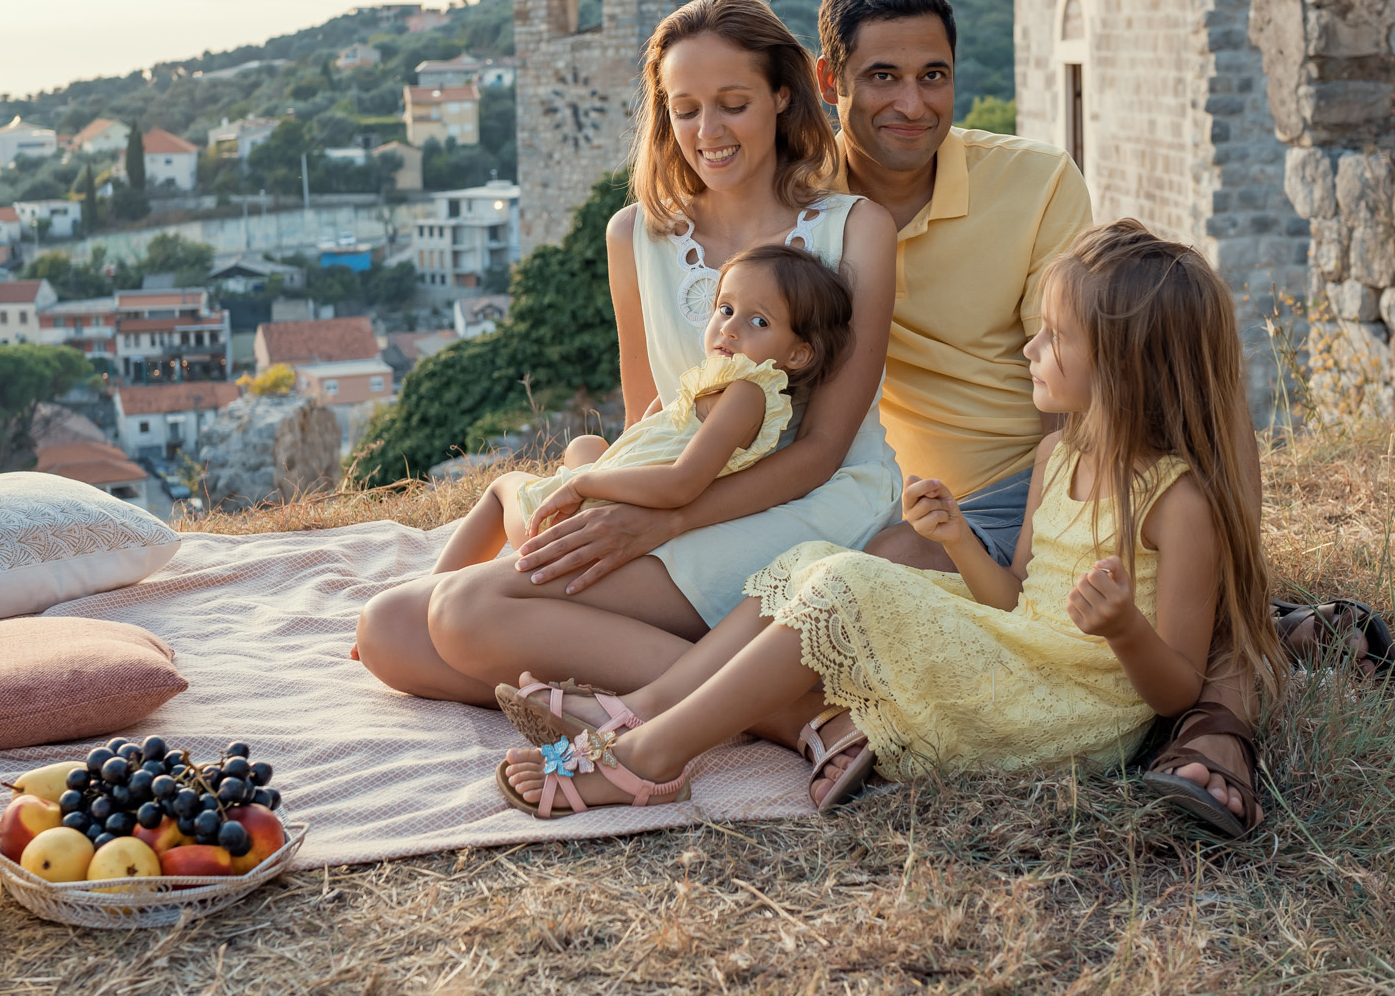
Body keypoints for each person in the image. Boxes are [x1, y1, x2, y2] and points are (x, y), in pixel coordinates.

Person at [494, 221, 1289, 824]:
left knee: (843, 582)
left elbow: (1177, 686)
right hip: (1018, 654)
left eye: (1055, 337)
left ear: (1123, 362)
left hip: (1072, 710)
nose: (1030, 347)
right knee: (814, 558)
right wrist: (951, 540)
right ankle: (652, 706)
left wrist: (1123, 628)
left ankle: (650, 753)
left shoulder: (1177, 505)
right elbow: (1012, 598)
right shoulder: (1058, 457)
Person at [354, 0, 903, 707]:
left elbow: (823, 447)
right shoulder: (633, 236)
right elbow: (651, 421)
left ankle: (792, 716)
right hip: (674, 492)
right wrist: (606, 499)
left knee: (466, 612)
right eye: (685, 108)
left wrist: (667, 519)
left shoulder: (857, 228)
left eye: (733, 102)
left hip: (806, 504)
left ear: (780, 96)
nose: (708, 130)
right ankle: (740, 690)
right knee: (390, 629)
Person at [426, 245, 852, 583]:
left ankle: (428, 590)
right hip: (613, 503)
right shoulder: (718, 386)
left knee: (504, 486)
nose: (730, 328)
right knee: (586, 444)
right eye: (725, 309)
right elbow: (652, 436)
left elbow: (681, 483)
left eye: (759, 321)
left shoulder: (747, 393)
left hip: (593, 518)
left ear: (798, 354)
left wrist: (582, 481)